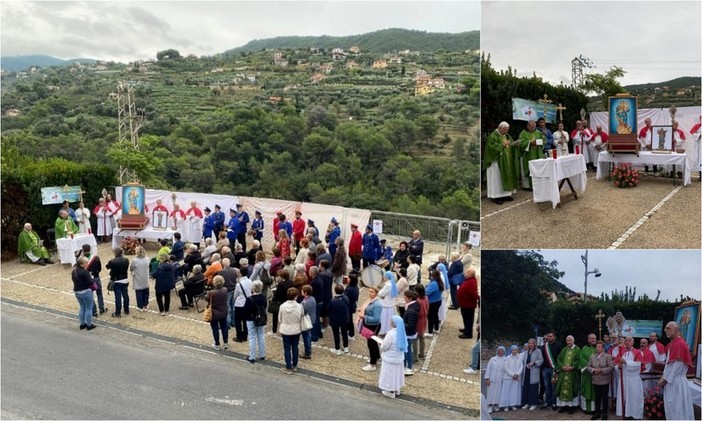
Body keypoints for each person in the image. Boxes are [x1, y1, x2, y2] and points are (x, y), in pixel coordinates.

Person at [658, 321, 694, 420]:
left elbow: (675, 366)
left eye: (668, 328)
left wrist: (664, 379)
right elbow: (669, 365)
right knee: (673, 408)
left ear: (676, 330)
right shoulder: (674, 343)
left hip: (675, 381)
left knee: (676, 409)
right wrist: (664, 376)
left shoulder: (678, 344)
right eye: (666, 328)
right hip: (673, 380)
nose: (666, 330)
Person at [484, 121, 519, 204]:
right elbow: (491, 148)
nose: (506, 131)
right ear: (499, 128)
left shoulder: (506, 135)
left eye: (507, 130)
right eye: (505, 130)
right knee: (497, 178)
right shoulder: (493, 136)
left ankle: (506, 195)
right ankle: (496, 197)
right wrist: (502, 146)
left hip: (506, 160)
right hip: (496, 162)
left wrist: (515, 145)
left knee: (506, 176)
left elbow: (510, 144)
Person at [378, 315, 408, 399]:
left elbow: (384, 347)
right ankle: (396, 388)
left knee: (389, 375)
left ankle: (390, 391)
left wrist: (381, 344)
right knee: (397, 374)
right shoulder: (402, 333)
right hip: (398, 358)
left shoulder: (390, 334)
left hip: (390, 358)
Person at [614, 336, 643, 420]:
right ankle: (625, 415)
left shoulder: (637, 352)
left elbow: (638, 365)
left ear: (633, 342)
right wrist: (618, 366)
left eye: (629, 340)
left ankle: (634, 415)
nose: (627, 342)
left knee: (633, 398)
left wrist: (626, 362)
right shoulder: (621, 352)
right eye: (626, 340)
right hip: (623, 378)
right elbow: (615, 364)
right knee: (624, 398)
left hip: (633, 379)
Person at [279, 287, 304, 374]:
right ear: (296, 296)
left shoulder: (282, 306)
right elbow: (301, 317)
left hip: (286, 329)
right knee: (295, 347)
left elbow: (280, 319)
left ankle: (288, 366)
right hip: (296, 329)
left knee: (286, 348)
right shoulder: (300, 307)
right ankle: (295, 365)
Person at [588, 340, 613, 421]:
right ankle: (597, 413)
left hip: (604, 380)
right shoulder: (592, 356)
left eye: (599, 347)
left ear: (603, 348)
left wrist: (601, 370)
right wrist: (593, 370)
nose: (597, 348)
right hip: (595, 380)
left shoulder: (607, 356)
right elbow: (588, 366)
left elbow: (610, 368)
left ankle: (605, 413)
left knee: (605, 397)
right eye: (596, 347)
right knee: (597, 397)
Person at [243, 280, 267, 363]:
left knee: (252, 337)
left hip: (250, 319)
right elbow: (265, 306)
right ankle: (262, 354)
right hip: (260, 318)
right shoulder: (263, 297)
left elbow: (245, 310)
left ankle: (252, 356)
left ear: (253, 288)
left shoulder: (249, 299)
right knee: (261, 336)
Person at [518, 119, 546, 190]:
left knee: (537, 168)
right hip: (528, 155)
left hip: (537, 153)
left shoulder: (538, 132)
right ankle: (527, 186)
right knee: (528, 169)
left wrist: (537, 142)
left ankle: (538, 185)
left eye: (534, 127)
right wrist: (529, 142)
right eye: (531, 127)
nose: (533, 128)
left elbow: (544, 140)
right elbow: (520, 143)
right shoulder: (523, 133)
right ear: (527, 126)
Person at [359, 286, 383, 372]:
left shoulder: (377, 304)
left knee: (371, 344)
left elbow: (376, 318)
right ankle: (377, 357)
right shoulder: (371, 300)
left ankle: (373, 364)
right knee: (372, 343)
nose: (370, 293)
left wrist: (364, 316)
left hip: (373, 326)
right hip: (369, 324)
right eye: (369, 291)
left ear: (376, 293)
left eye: (372, 292)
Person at [556, 335, 581, 413]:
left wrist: (572, 367)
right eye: (567, 340)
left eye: (570, 340)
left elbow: (578, 360)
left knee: (572, 388)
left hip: (572, 373)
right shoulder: (564, 349)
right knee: (563, 389)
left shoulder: (577, 350)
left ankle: (572, 406)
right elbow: (559, 359)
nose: (568, 342)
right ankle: (564, 406)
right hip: (563, 373)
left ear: (573, 341)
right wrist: (562, 366)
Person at [71, 256, 96, 330]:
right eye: (86, 262)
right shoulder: (85, 272)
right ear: (82, 264)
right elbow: (90, 282)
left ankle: (82, 323)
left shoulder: (74, 271)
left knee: (82, 307)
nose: (87, 264)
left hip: (77, 291)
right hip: (85, 291)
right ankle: (89, 324)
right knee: (89, 308)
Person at [541, 330, 564, 410]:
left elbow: (561, 358)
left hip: (554, 369)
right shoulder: (544, 346)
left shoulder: (559, 346)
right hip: (545, 369)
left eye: (551, 336)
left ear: (554, 337)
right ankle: (547, 402)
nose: (549, 338)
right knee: (547, 386)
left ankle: (554, 403)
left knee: (554, 386)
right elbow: (542, 358)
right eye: (548, 336)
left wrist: (558, 368)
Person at [205, 275, 229, 350]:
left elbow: (206, 298)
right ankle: (226, 343)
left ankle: (217, 344)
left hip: (214, 313)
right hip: (223, 311)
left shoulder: (211, 293)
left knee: (215, 328)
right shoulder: (225, 290)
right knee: (224, 327)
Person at [520, 338, 544, 411]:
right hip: (526, 372)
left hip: (533, 371)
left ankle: (534, 403)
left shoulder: (538, 351)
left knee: (533, 388)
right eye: (529, 343)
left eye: (532, 343)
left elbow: (541, 360)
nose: (530, 345)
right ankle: (527, 403)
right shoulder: (526, 352)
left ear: (534, 344)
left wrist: (534, 363)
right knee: (526, 387)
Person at [499, 345, 524, 412]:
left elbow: (521, 366)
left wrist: (517, 374)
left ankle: (513, 404)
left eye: (515, 350)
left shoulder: (519, 358)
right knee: (507, 392)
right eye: (513, 350)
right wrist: (513, 374)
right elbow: (506, 368)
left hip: (516, 377)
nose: (514, 351)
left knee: (514, 392)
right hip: (508, 378)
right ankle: (506, 405)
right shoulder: (507, 358)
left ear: (517, 350)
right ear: (511, 350)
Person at [106, 247, 130, 317]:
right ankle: (126, 310)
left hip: (117, 280)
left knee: (118, 297)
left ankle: (118, 312)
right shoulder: (126, 260)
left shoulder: (112, 261)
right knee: (125, 295)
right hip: (125, 279)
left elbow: (107, 267)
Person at [456, 267, 479, 339]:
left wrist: (477, 298)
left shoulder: (471, 282)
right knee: (465, 318)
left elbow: (473, 294)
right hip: (465, 304)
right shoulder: (469, 280)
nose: (465, 274)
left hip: (468, 305)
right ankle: (466, 329)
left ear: (470, 274)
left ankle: (468, 334)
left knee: (468, 319)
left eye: (467, 273)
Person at [484, 346, 506, 413]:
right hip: (492, 379)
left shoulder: (506, 359)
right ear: (497, 351)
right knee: (491, 393)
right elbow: (488, 369)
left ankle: (496, 405)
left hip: (501, 379)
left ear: (504, 352)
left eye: (501, 351)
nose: (500, 352)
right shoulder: (492, 359)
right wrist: (487, 378)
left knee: (498, 393)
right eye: (499, 351)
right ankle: (490, 406)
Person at [402, 289, 419, 375]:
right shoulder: (413, 306)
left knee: (407, 350)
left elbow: (411, 325)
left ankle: (408, 368)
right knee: (407, 349)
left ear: (410, 298)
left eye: (405, 298)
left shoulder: (411, 310)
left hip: (409, 333)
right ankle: (407, 366)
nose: (404, 299)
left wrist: (400, 324)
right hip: (410, 332)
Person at [579, 333, 598, 413]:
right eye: (592, 338)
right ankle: (586, 408)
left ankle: (595, 409)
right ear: (588, 340)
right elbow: (581, 358)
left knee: (595, 391)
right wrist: (589, 367)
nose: (594, 340)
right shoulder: (584, 348)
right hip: (587, 374)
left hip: (597, 374)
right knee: (587, 390)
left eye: (595, 338)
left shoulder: (599, 348)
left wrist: (596, 367)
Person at [232, 267, 252, 343]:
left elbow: (235, 295)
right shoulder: (250, 281)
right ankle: (245, 336)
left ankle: (239, 336)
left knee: (238, 321)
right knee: (245, 321)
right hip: (247, 303)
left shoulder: (238, 284)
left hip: (239, 304)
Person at [377, 270, 398, 335]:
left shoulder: (388, 285)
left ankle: (383, 331)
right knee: (389, 318)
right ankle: (388, 330)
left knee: (384, 319)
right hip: (391, 304)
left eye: (384, 276)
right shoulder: (393, 283)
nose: (383, 277)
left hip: (386, 304)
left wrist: (378, 291)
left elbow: (381, 294)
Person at [130, 246, 150, 311]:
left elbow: (131, 268)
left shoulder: (134, 260)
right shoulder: (147, 259)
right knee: (146, 291)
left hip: (138, 277)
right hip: (145, 277)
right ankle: (145, 305)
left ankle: (140, 306)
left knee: (139, 292)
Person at [299, 284, 316, 359]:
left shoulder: (304, 302)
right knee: (309, 335)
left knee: (306, 336)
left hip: (306, 321)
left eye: (302, 291)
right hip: (312, 319)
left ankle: (307, 352)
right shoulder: (313, 299)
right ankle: (308, 350)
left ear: (305, 292)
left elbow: (302, 311)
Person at [424, 270, 443, 337]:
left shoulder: (434, 283)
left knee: (430, 316)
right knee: (435, 314)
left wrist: (425, 288)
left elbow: (427, 292)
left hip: (433, 302)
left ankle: (430, 332)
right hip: (438, 300)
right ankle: (436, 329)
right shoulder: (439, 282)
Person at [414, 284, 429, 360]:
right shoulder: (425, 298)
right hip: (424, 320)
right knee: (422, 337)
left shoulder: (418, 301)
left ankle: (415, 357)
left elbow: (419, 312)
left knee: (415, 339)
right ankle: (422, 353)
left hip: (418, 321)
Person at [344, 271, 360, 342]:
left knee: (349, 320)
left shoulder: (350, 289)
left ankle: (351, 334)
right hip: (351, 305)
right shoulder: (354, 287)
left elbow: (346, 297)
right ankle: (348, 330)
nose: (347, 279)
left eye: (349, 278)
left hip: (349, 306)